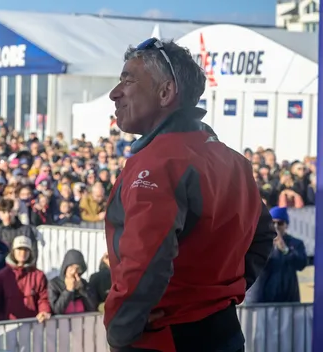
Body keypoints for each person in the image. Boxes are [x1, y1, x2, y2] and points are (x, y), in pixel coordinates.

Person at [104, 38, 275, 351]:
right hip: (224, 331)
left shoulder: (159, 162)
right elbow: (263, 236)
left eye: (127, 79)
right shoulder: (233, 161)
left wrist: (119, 332)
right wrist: (219, 296)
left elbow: (145, 262)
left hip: (166, 336)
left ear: (166, 92)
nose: (115, 92)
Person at [246, 207, 307, 303]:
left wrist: (285, 250)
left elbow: (301, 264)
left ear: (286, 225)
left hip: (286, 299)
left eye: (280, 223)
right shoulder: (258, 242)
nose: (276, 226)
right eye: (272, 223)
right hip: (261, 299)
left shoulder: (295, 243)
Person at [0, 235, 51, 322]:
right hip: (8, 327)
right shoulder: (1, 276)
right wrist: (2, 321)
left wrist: (44, 311)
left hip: (33, 325)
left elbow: (43, 299)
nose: (23, 253)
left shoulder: (39, 275)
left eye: (26, 250)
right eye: (19, 249)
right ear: (13, 251)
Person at [48, 249, 97, 315]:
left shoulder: (84, 284)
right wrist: (68, 290)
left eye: (77, 268)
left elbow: (92, 308)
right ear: (65, 268)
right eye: (71, 268)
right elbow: (56, 311)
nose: (74, 272)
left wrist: (82, 290)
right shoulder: (54, 284)